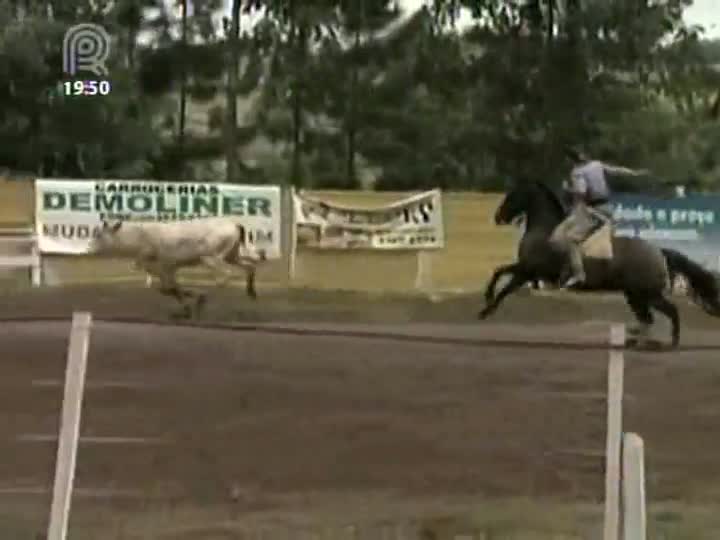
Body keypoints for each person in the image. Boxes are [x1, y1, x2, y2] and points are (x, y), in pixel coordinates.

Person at [551, 146, 650, 289]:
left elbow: (581, 192)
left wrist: (567, 189)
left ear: (570, 160)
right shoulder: (596, 164)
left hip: (594, 210)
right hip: (608, 206)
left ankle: (579, 274)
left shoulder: (577, 173)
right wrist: (635, 173)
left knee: (572, 240)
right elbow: (617, 170)